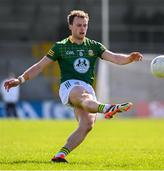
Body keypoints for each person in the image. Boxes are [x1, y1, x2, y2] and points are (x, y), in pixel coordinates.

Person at [4, 10, 143, 163]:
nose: (82, 28)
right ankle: (107, 108)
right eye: (78, 25)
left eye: (85, 25)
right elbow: (39, 66)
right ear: (70, 26)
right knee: (82, 95)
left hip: (87, 88)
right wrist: (20, 79)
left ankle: (60, 155)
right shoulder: (60, 47)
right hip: (69, 87)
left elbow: (115, 58)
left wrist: (129, 58)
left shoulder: (94, 46)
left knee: (87, 125)